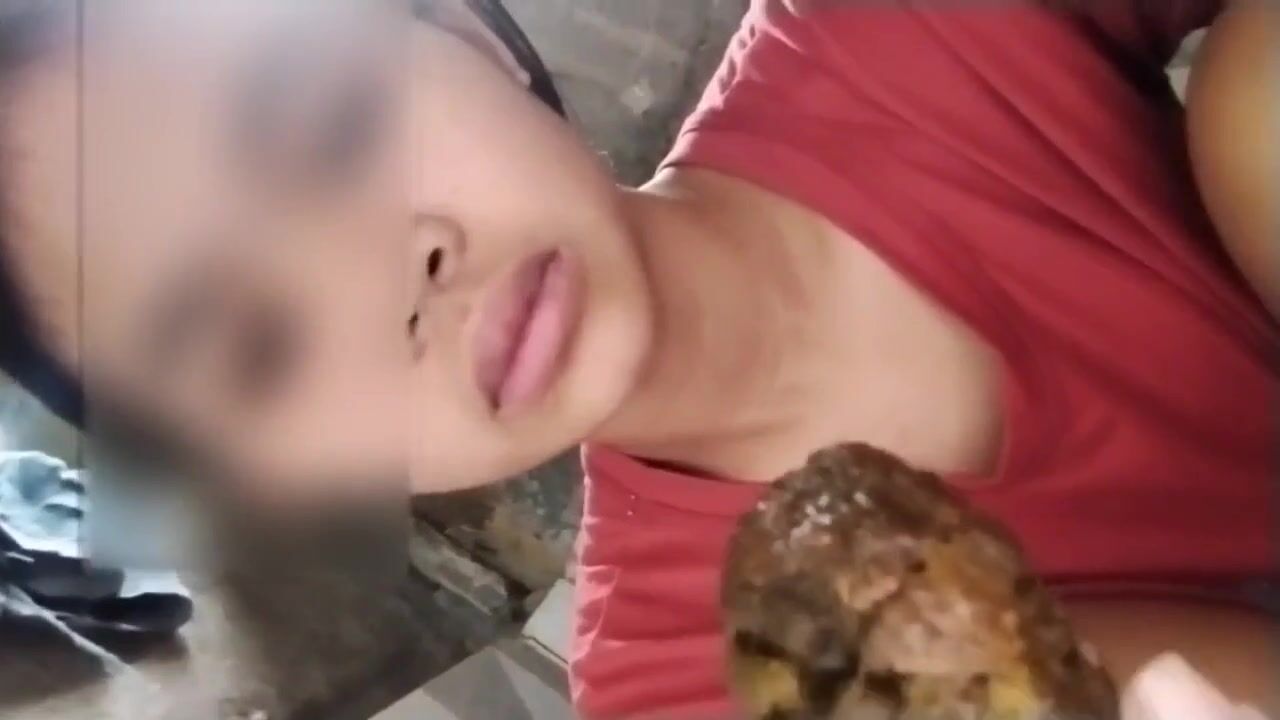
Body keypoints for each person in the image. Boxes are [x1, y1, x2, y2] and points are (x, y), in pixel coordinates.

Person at [0, 0, 1275, 717]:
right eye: (257, 345)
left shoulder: (900, 32)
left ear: (462, 29)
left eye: (330, 124)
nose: (389, 278)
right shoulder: (678, 695)